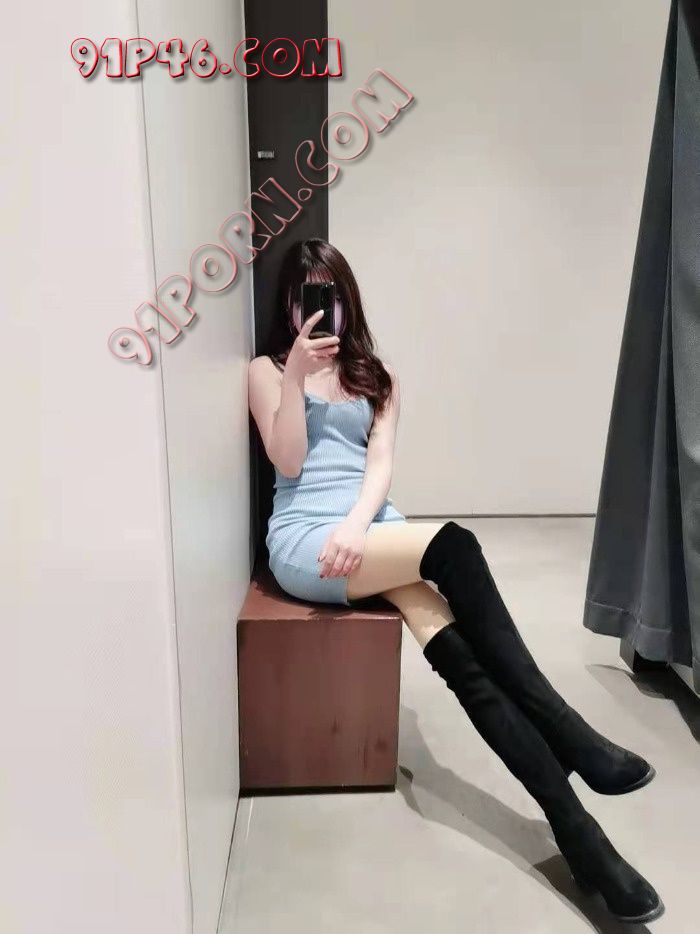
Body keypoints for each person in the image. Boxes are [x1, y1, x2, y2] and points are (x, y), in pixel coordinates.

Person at [248, 238, 664, 924]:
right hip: (306, 544)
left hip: (367, 532)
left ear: (350, 300)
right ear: (288, 306)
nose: (320, 310)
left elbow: (380, 466)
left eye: (332, 294)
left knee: (465, 664)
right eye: (305, 297)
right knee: (455, 546)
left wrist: (358, 525)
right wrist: (294, 379)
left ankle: (581, 838)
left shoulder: (377, 375)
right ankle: (568, 732)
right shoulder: (265, 371)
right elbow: (288, 463)